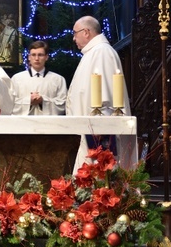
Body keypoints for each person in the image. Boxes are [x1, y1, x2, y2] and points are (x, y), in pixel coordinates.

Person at [66, 16, 131, 168]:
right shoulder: (92, 52)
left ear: (86, 32)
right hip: (88, 127)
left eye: (75, 33)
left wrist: (100, 127)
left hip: (98, 130)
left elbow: (105, 97)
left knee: (100, 174)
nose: (73, 38)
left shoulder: (102, 52)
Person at [11, 41, 67, 116]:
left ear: (46, 57)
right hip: (23, 123)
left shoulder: (58, 79)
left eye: (40, 55)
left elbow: (62, 105)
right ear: (29, 57)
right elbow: (10, 103)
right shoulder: (17, 78)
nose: (36, 58)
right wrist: (29, 101)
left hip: (49, 124)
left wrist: (42, 101)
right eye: (33, 55)